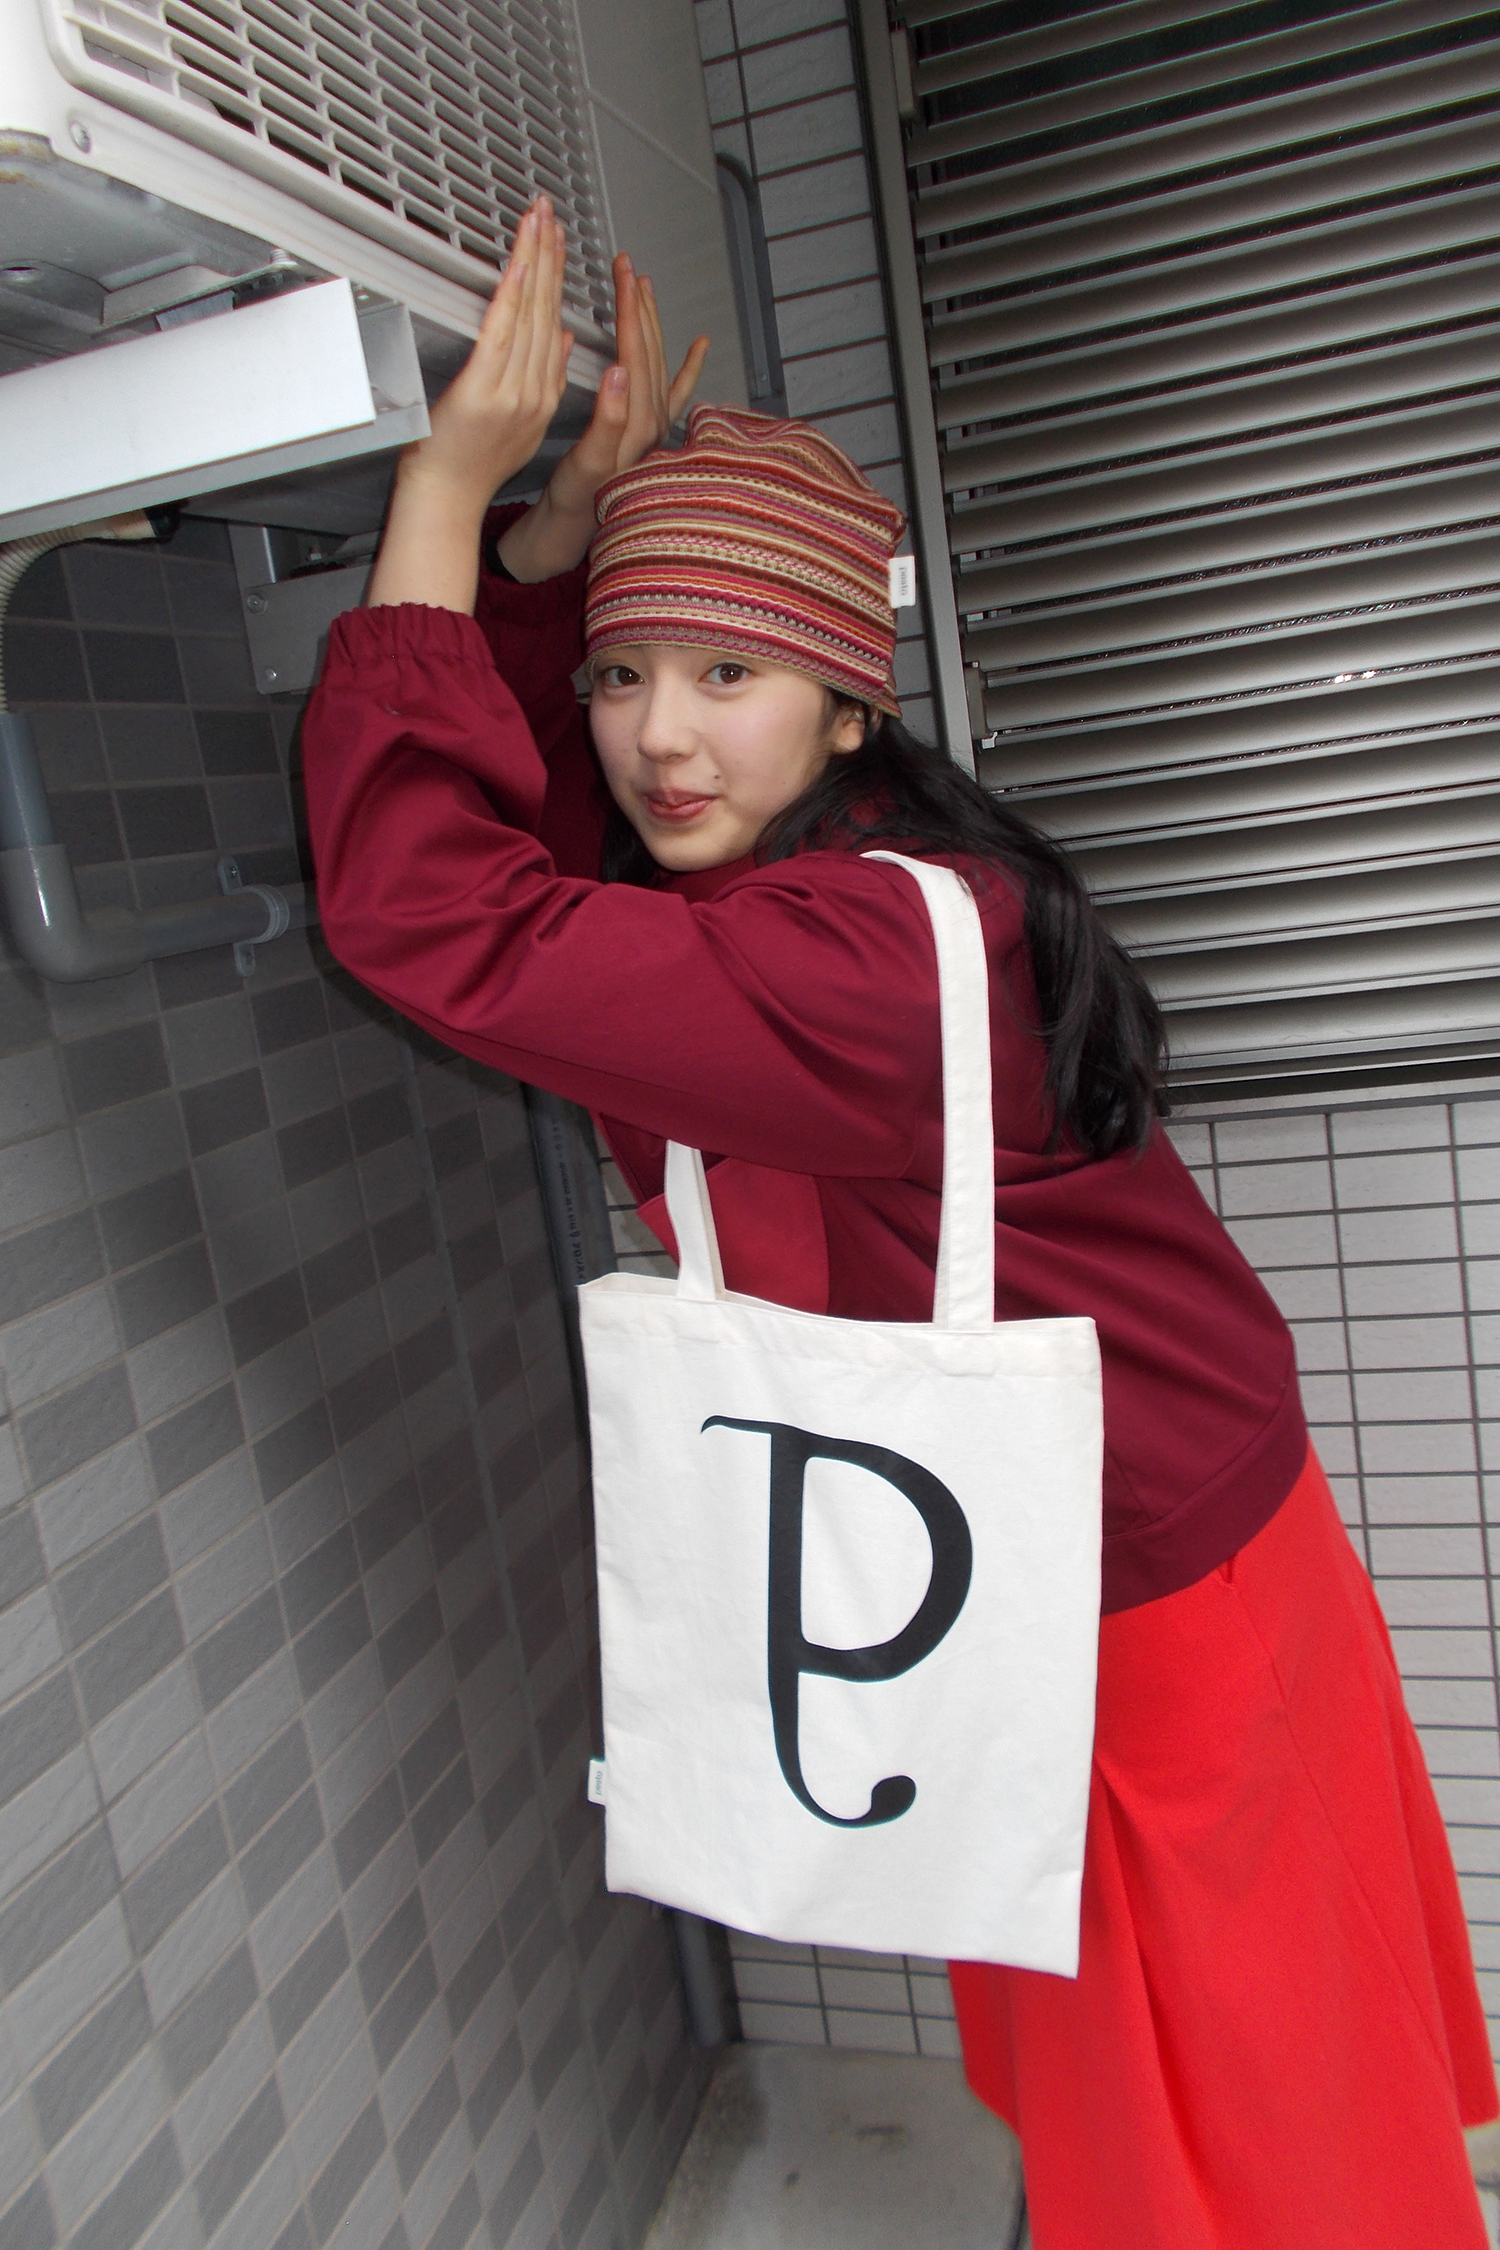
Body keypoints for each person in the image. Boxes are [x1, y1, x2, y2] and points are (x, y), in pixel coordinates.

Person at [301, 195, 1498, 2248]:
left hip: (1138, 1600)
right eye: (623, 674)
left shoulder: (846, 959)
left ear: (851, 705)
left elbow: (444, 914)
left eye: (731, 673)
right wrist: (552, 540)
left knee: (1248, 2130)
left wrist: (439, 491)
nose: (660, 733)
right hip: (1097, 1551)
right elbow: (553, 836)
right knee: (1176, 2082)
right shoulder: (827, 883)